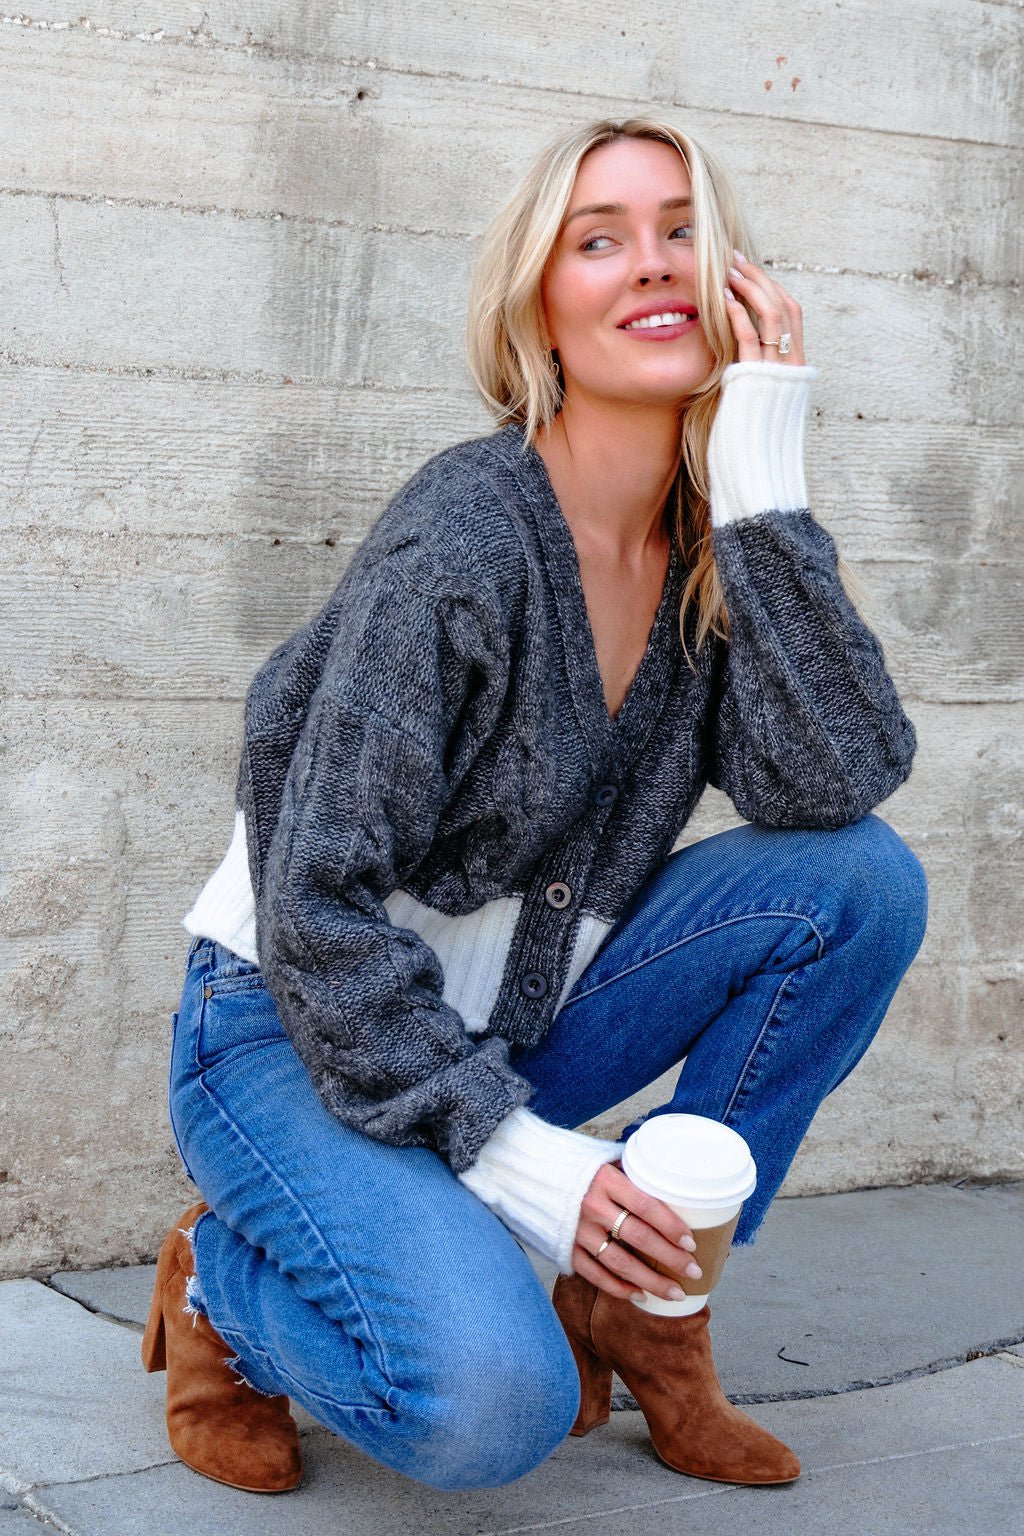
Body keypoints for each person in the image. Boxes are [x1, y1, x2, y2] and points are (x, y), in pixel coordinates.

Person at [142, 116, 928, 1496]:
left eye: (683, 229)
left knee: (860, 884)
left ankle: (646, 1302)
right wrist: (520, 1164)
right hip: (293, 1024)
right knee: (488, 1410)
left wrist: (759, 483)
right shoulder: (463, 541)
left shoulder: (708, 544)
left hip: (504, 1017)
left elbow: (833, 785)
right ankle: (222, 1288)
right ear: (540, 305)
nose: (654, 265)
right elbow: (314, 909)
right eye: (601, 238)